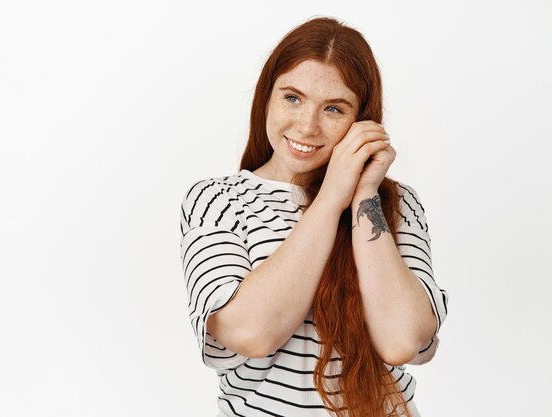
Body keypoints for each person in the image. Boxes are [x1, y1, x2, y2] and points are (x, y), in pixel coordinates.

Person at [179, 16, 448, 417]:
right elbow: (249, 333)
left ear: (362, 122)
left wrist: (362, 193)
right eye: (292, 98)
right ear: (266, 97)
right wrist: (331, 197)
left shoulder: (393, 204)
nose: (307, 126)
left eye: (334, 109)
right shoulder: (217, 200)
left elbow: (402, 341)